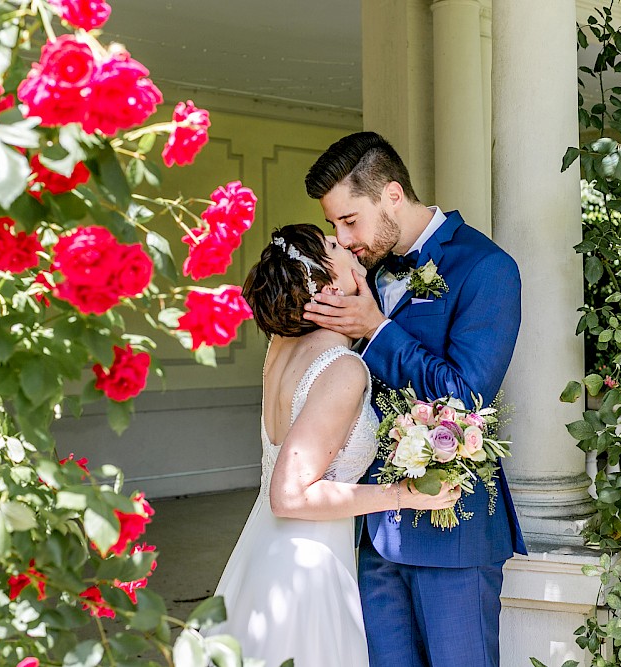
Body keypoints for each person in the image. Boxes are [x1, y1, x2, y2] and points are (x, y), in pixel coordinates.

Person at [302, 132, 527, 667]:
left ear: (392, 195)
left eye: (349, 220)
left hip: (452, 530)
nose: (342, 237)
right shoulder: (366, 273)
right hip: (370, 534)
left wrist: (378, 331)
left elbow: (467, 395)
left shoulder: (487, 268)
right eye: (333, 224)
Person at [211, 223, 460, 666]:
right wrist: (402, 495)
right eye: (331, 245)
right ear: (322, 284)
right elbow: (291, 494)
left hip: (264, 549)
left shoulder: (281, 347)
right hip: (308, 566)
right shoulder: (342, 368)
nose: (344, 244)